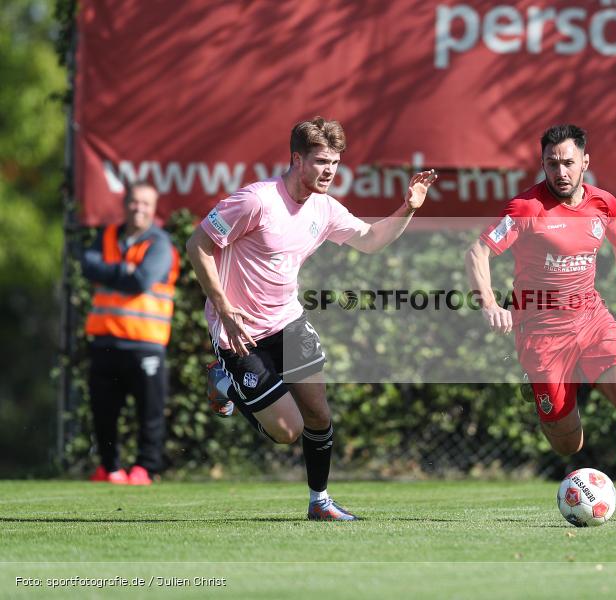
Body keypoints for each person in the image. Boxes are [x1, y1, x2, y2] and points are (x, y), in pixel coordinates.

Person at [186, 116, 436, 521]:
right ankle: (224, 382)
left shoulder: (324, 209)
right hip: (239, 329)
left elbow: (371, 241)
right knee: (287, 431)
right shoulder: (256, 201)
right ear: (296, 159)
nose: (329, 171)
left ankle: (319, 502)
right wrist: (223, 305)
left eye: (335, 163)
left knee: (318, 413)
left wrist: (408, 207)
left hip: (288, 321)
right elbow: (197, 244)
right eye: (321, 161)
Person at [466, 124, 616, 522]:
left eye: (567, 162)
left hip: (592, 319)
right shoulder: (525, 208)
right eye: (551, 163)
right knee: (569, 445)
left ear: (585, 162)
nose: (560, 171)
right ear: (542, 164)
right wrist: (490, 302)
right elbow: (477, 252)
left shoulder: (604, 203)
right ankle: (540, 391)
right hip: (542, 334)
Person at [82, 181, 179, 485]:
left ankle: (144, 469)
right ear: (125, 204)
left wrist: (114, 272)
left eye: (146, 204)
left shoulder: (161, 244)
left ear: (154, 209)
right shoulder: (107, 235)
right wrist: (125, 272)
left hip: (145, 343)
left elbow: (142, 280)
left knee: (149, 412)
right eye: (134, 202)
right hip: (106, 341)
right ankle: (110, 468)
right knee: (103, 411)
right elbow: (88, 266)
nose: (139, 208)